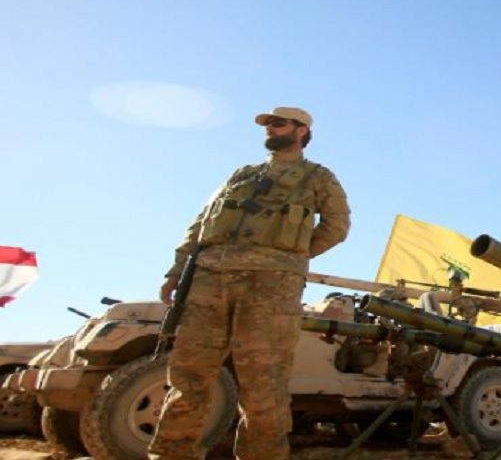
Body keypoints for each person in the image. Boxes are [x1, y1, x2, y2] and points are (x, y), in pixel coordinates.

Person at [149, 107, 351, 460]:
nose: (270, 129)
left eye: (278, 123)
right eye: (267, 125)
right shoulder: (242, 174)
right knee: (188, 378)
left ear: (301, 131)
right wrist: (176, 271)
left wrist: (288, 258)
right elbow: (200, 225)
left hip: (270, 288)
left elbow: (337, 227)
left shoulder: (318, 177)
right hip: (209, 281)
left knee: (263, 385)